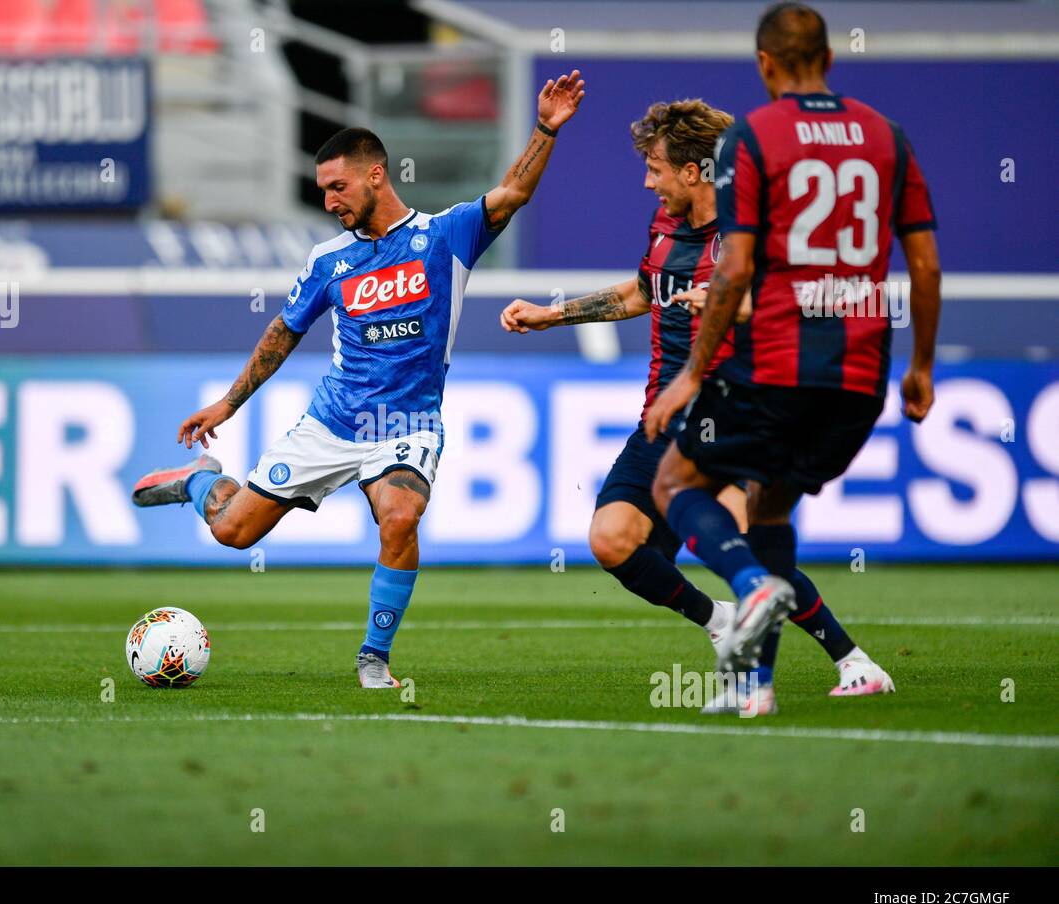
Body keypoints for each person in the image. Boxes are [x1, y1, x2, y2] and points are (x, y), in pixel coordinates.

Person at [132, 72, 587, 688]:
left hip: (407, 423)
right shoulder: (328, 261)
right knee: (232, 532)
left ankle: (374, 657)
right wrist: (228, 404)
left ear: (377, 175)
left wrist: (544, 130)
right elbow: (283, 331)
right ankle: (199, 485)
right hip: (331, 421)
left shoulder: (445, 235)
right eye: (322, 191)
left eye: (337, 187)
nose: (329, 202)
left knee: (400, 518)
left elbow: (511, 194)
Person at [502, 98, 893, 715]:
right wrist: (555, 314)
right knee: (612, 539)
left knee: (744, 539)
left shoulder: (756, 235)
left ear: (695, 172)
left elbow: (801, 310)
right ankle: (722, 620)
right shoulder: (665, 227)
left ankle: (849, 660)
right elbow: (640, 291)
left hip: (738, 410)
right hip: (663, 415)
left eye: (656, 168)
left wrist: (734, 305)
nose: (647, 180)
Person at [644, 3, 940, 704]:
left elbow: (737, 268)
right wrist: (922, 367)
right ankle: (756, 688)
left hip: (776, 362)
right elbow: (923, 267)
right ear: (830, 60)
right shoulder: (886, 136)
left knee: (675, 486)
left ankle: (749, 586)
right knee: (771, 511)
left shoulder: (753, 136)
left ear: (765, 64)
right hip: (860, 375)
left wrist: (691, 374)